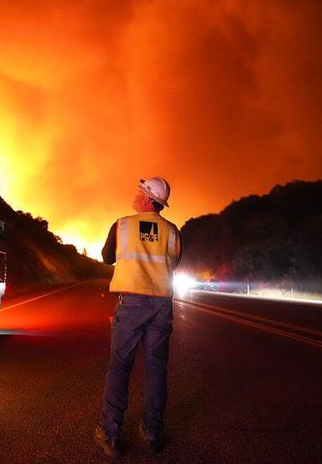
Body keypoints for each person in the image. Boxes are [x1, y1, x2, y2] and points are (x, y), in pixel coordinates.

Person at [95, 176, 182, 458]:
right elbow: (174, 261)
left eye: (139, 192)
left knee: (120, 367)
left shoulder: (121, 225)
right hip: (161, 306)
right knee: (157, 369)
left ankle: (110, 433)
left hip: (131, 304)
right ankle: (153, 432)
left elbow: (108, 257)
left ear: (147, 198)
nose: (135, 195)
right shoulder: (172, 231)